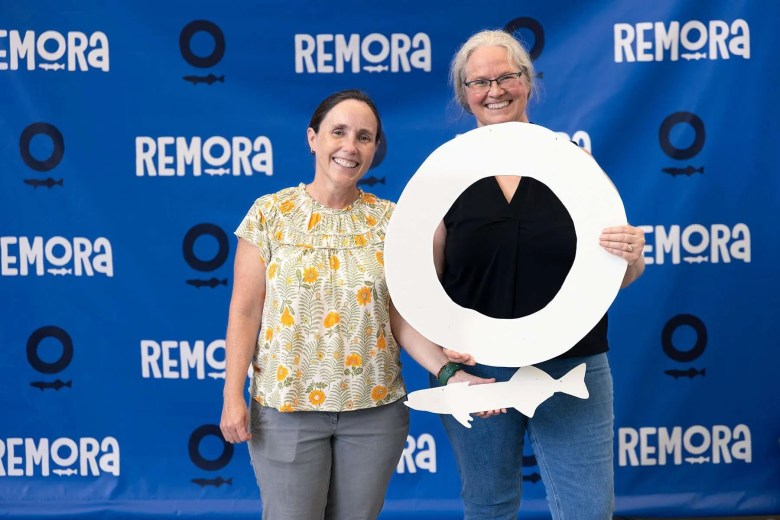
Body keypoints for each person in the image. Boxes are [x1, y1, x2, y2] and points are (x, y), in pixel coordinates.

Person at [218, 89, 489, 520]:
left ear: (375, 149)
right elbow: (245, 311)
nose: (350, 146)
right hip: (286, 409)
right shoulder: (269, 214)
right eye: (338, 132)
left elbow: (401, 317)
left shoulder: (392, 222)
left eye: (364, 137)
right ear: (313, 138)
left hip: (374, 414)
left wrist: (448, 371)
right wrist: (233, 394)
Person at [430, 30, 646, 520]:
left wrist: (632, 255)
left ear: (528, 83)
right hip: (477, 371)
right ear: (465, 95)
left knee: (588, 511)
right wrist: (446, 364)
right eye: (480, 81)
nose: (495, 90)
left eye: (507, 76)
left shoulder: (576, 163)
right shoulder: (441, 177)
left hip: (575, 362)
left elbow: (621, 271)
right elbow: (420, 286)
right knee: (489, 507)